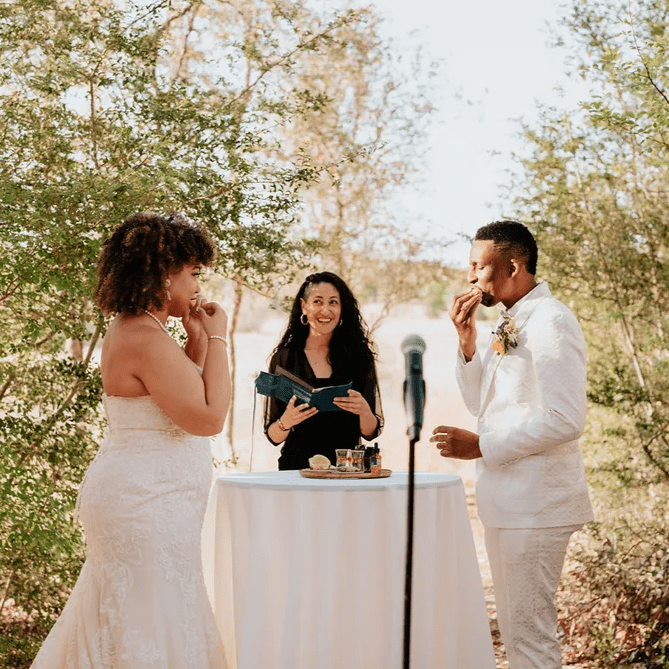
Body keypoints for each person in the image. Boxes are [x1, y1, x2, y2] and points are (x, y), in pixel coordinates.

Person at [31, 212, 231, 669]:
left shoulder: (146, 328)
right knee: (147, 621)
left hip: (156, 501)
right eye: (193, 273)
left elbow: (179, 395)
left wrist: (197, 341)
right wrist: (219, 339)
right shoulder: (140, 333)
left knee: (156, 615)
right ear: (164, 275)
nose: (198, 284)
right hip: (144, 504)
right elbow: (207, 416)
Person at [430, 220, 593, 669]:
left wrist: (483, 446)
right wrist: (466, 343)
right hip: (508, 502)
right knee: (518, 635)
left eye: (478, 267)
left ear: (514, 266)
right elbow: (478, 401)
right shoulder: (509, 321)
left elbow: (566, 419)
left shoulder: (552, 321)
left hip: (538, 506)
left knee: (530, 640)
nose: (470, 277)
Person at [264, 271, 383, 470]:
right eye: (317, 302)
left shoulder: (360, 358)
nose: (325, 310)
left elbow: (370, 432)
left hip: (347, 472)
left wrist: (364, 410)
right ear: (304, 306)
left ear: (342, 308)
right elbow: (273, 436)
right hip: (296, 472)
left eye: (333, 302)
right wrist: (286, 421)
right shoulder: (284, 359)